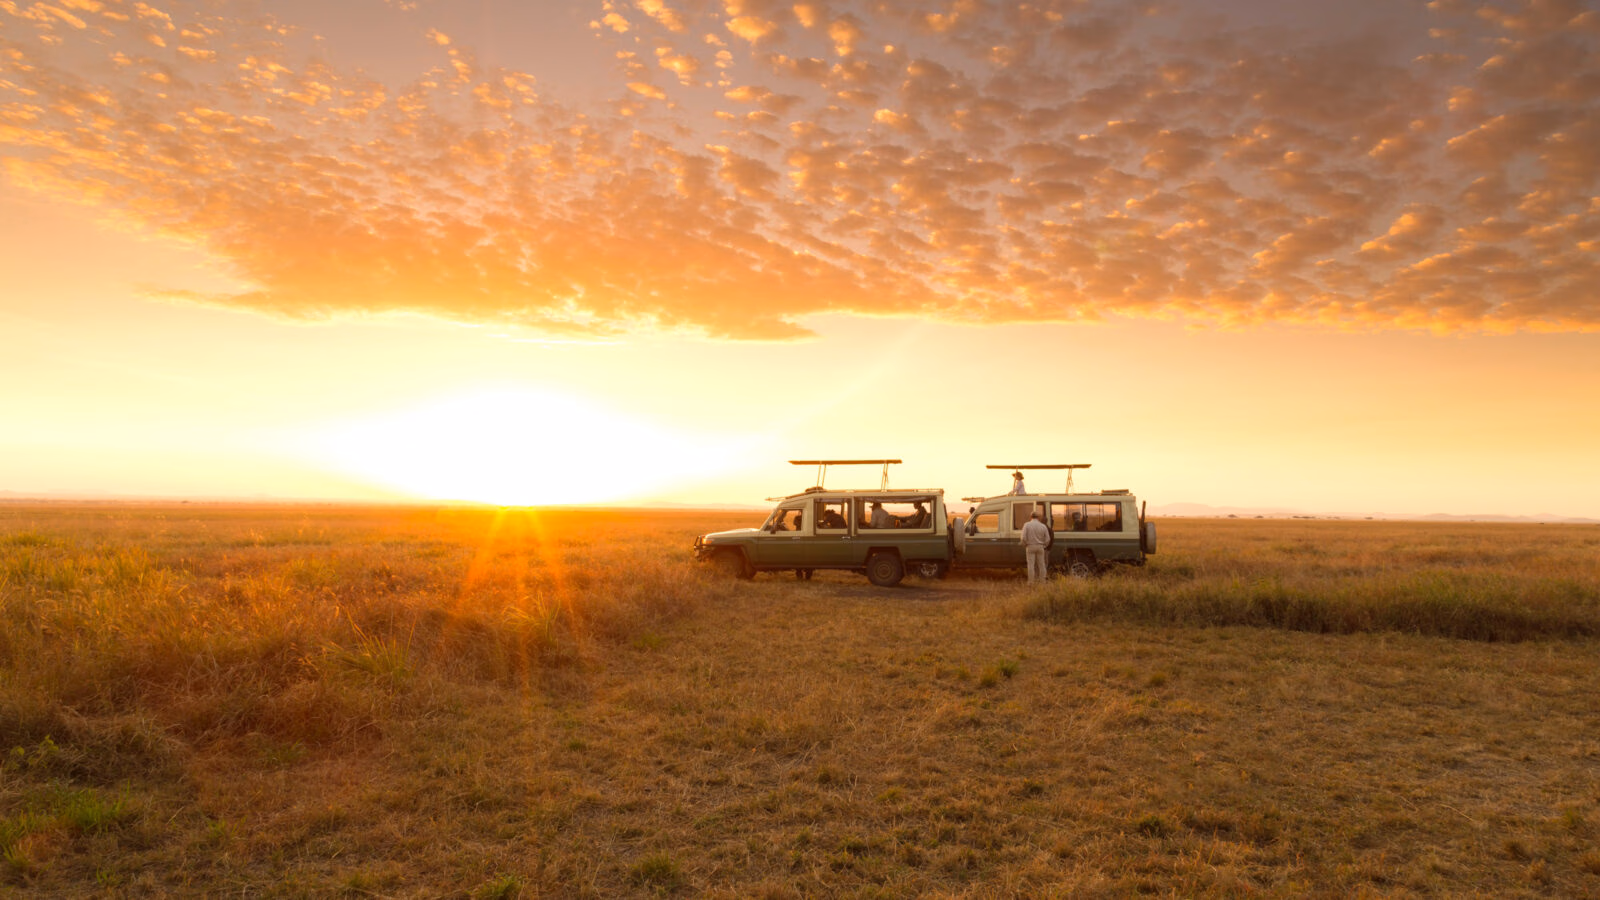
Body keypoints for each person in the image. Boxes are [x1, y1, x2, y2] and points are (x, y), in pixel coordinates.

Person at [1021, 509, 1051, 583]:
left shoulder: (1026, 525)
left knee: (1031, 565)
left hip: (1030, 546)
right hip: (1040, 547)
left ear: (1031, 517)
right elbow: (1048, 539)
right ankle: (1042, 581)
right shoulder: (1043, 526)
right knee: (1042, 564)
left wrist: (1025, 545)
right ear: (1038, 517)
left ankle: (1031, 582)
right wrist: (1044, 545)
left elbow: (1023, 538)